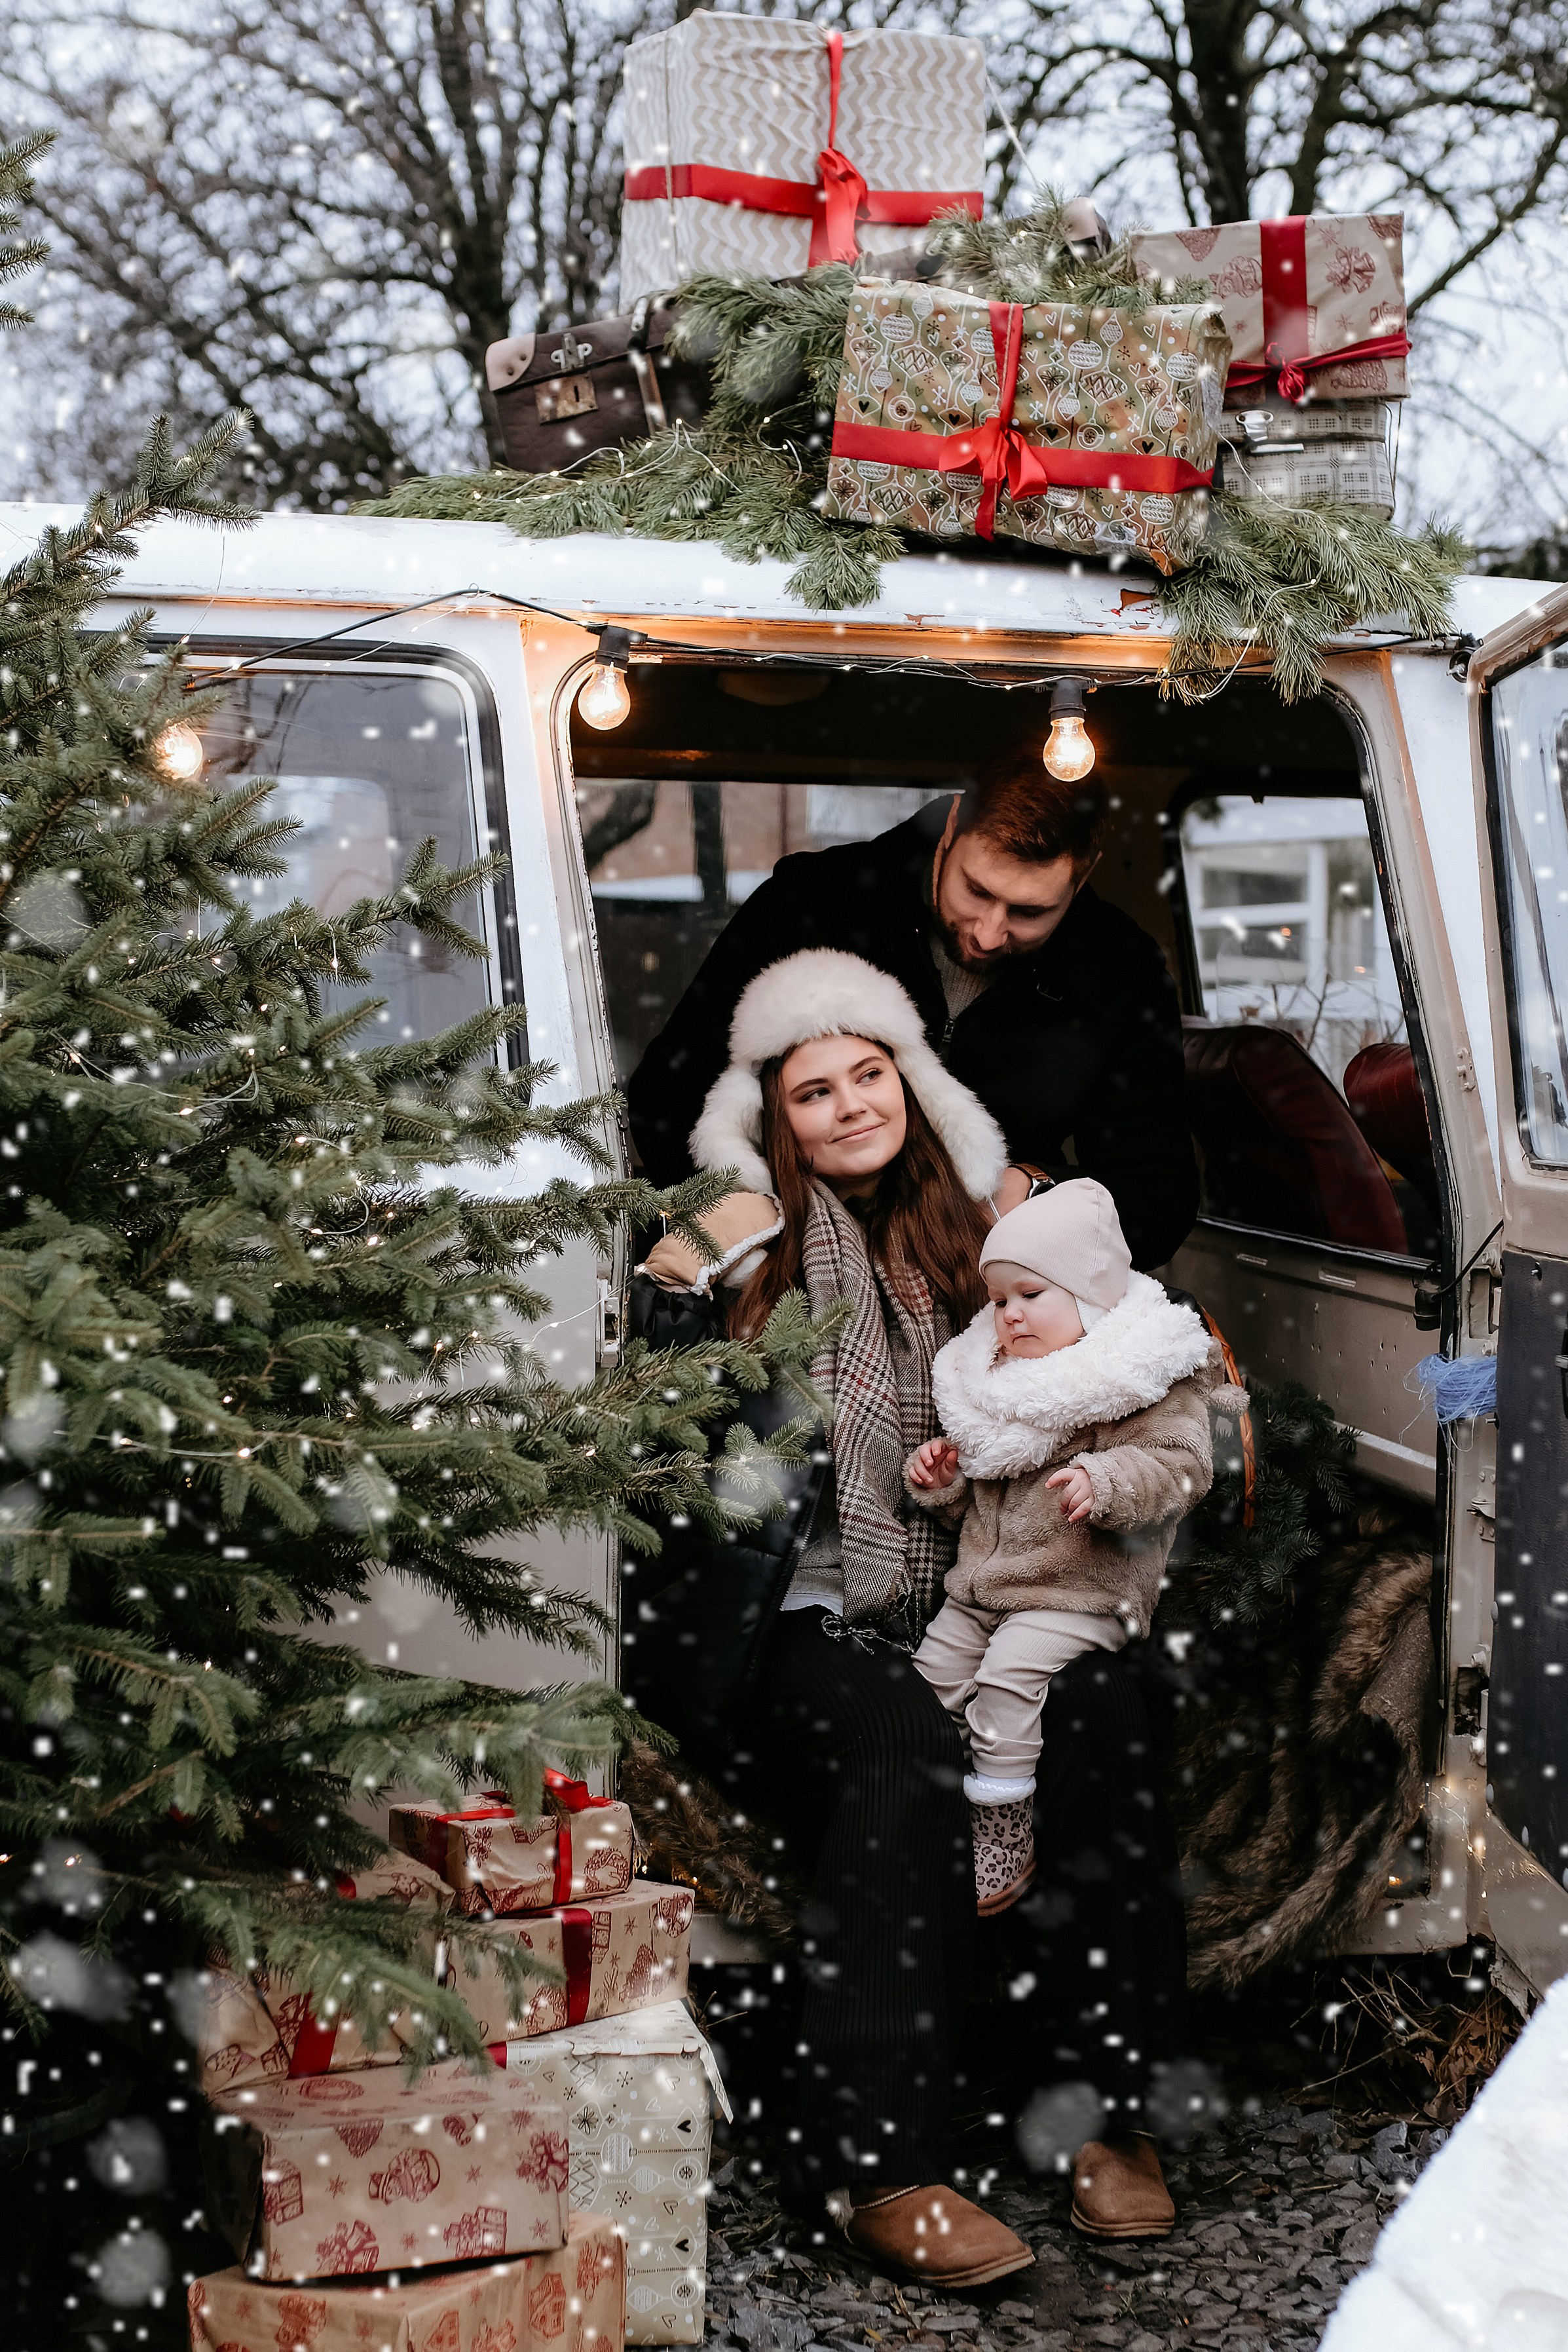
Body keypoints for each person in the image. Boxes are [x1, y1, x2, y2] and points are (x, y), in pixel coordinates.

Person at [624, 948, 1188, 2267]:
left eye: (869, 1072)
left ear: (912, 1083)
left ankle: (1108, 2111)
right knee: (904, 1741)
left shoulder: (990, 1243)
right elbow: (646, 1436)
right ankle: (877, 2164)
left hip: (982, 1582)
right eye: (813, 1090)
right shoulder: (740, 1241)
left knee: (1109, 1708)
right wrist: (676, 1281)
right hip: (792, 1613)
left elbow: (1124, 1353)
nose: (850, 1103)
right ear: (774, 1120)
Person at [626, 752, 1199, 1272]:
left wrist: (1032, 1191)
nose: (989, 934)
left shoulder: (1119, 969)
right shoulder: (813, 903)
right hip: (793, 1271)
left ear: (1086, 872)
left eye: (1029, 912)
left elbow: (1157, 1198)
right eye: (976, 891)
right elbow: (666, 1102)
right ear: (951, 829)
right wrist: (773, 1229)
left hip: (991, 1276)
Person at [906, 1180, 1236, 1958]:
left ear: (1089, 1296)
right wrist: (946, 1479)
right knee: (929, 1680)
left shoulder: (1140, 1374)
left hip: (1081, 1590)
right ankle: (943, 1805)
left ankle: (1003, 1815)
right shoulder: (1005, 1384)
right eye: (997, 1299)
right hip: (989, 1583)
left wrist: (1108, 1479)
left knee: (1010, 1679)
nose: (1009, 1313)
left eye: (1030, 1293)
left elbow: (1183, 1468)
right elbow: (982, 1503)